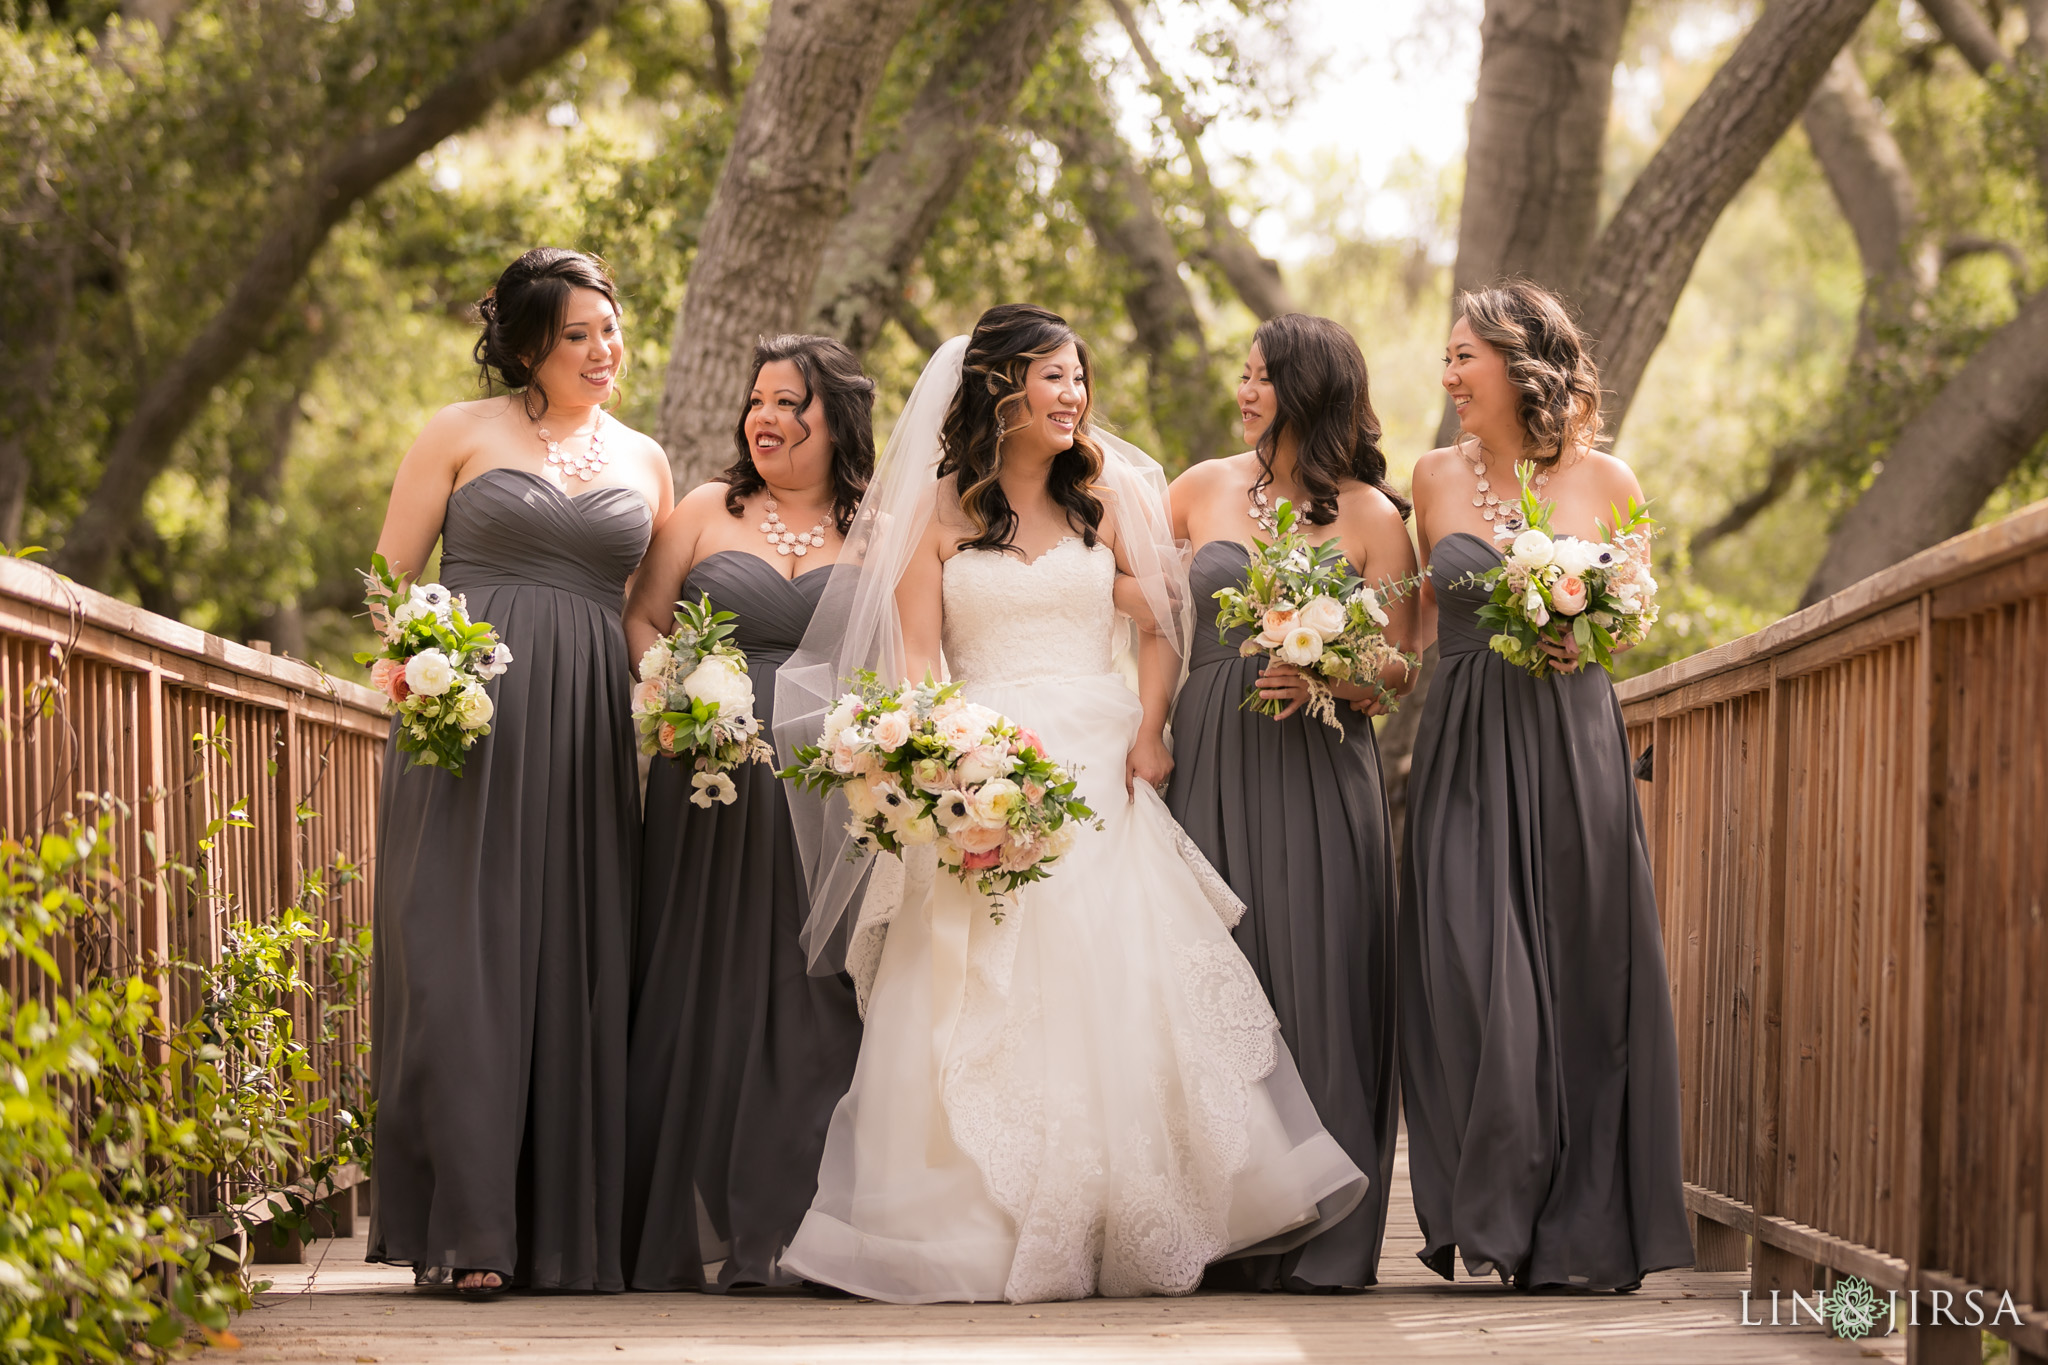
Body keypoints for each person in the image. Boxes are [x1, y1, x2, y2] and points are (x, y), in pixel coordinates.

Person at [772, 304, 1366, 1305]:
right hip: (979, 765)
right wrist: (942, 768)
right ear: (999, 387)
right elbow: (917, 657)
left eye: (1077, 379)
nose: (1072, 396)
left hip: (1098, 768)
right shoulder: (936, 513)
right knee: (977, 990)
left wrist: (1148, 728)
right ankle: (968, 1229)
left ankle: (1114, 1219)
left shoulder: (1107, 499)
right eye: (1051, 377)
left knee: (1117, 982)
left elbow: (1161, 620)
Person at [365, 248, 672, 1297]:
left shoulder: (647, 458)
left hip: (585, 732)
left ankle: (557, 1233)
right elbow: (385, 581)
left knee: (570, 961)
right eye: (576, 334)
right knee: (459, 963)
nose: (602, 350)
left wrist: (686, 697)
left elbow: (644, 615)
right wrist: (416, 670)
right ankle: (464, 1228)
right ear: (528, 345)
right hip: (468, 725)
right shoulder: (459, 432)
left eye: (609, 329)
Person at [1401, 279, 1692, 1291]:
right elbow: (1412, 633)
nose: (1445, 377)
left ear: (1517, 367)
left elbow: (1637, 610)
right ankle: (1490, 1205)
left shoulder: (1610, 480)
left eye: (1460, 358)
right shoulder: (1429, 476)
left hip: (1571, 740)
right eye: (1444, 358)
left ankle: (1574, 1232)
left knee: (1578, 969)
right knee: (1465, 964)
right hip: (1465, 743)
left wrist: (1589, 630)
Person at [1164, 314, 1418, 1291]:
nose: (1244, 389)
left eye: (1262, 376)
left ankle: (1324, 1234)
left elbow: (1397, 665)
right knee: (1213, 974)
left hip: (1318, 765)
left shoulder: (1370, 515)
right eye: (1242, 373)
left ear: (1308, 391)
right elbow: (1142, 615)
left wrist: (1328, 673)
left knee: (1318, 969)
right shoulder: (1195, 488)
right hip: (1208, 757)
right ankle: (1220, 1226)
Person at [619, 335, 874, 1292]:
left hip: (827, 794)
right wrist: (680, 689)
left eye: (787, 402)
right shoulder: (701, 511)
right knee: (703, 987)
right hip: (709, 784)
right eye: (757, 401)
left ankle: (794, 1227)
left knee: (814, 997)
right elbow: (643, 614)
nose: (763, 418)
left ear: (836, 418)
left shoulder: (878, 529)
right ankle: (697, 1221)